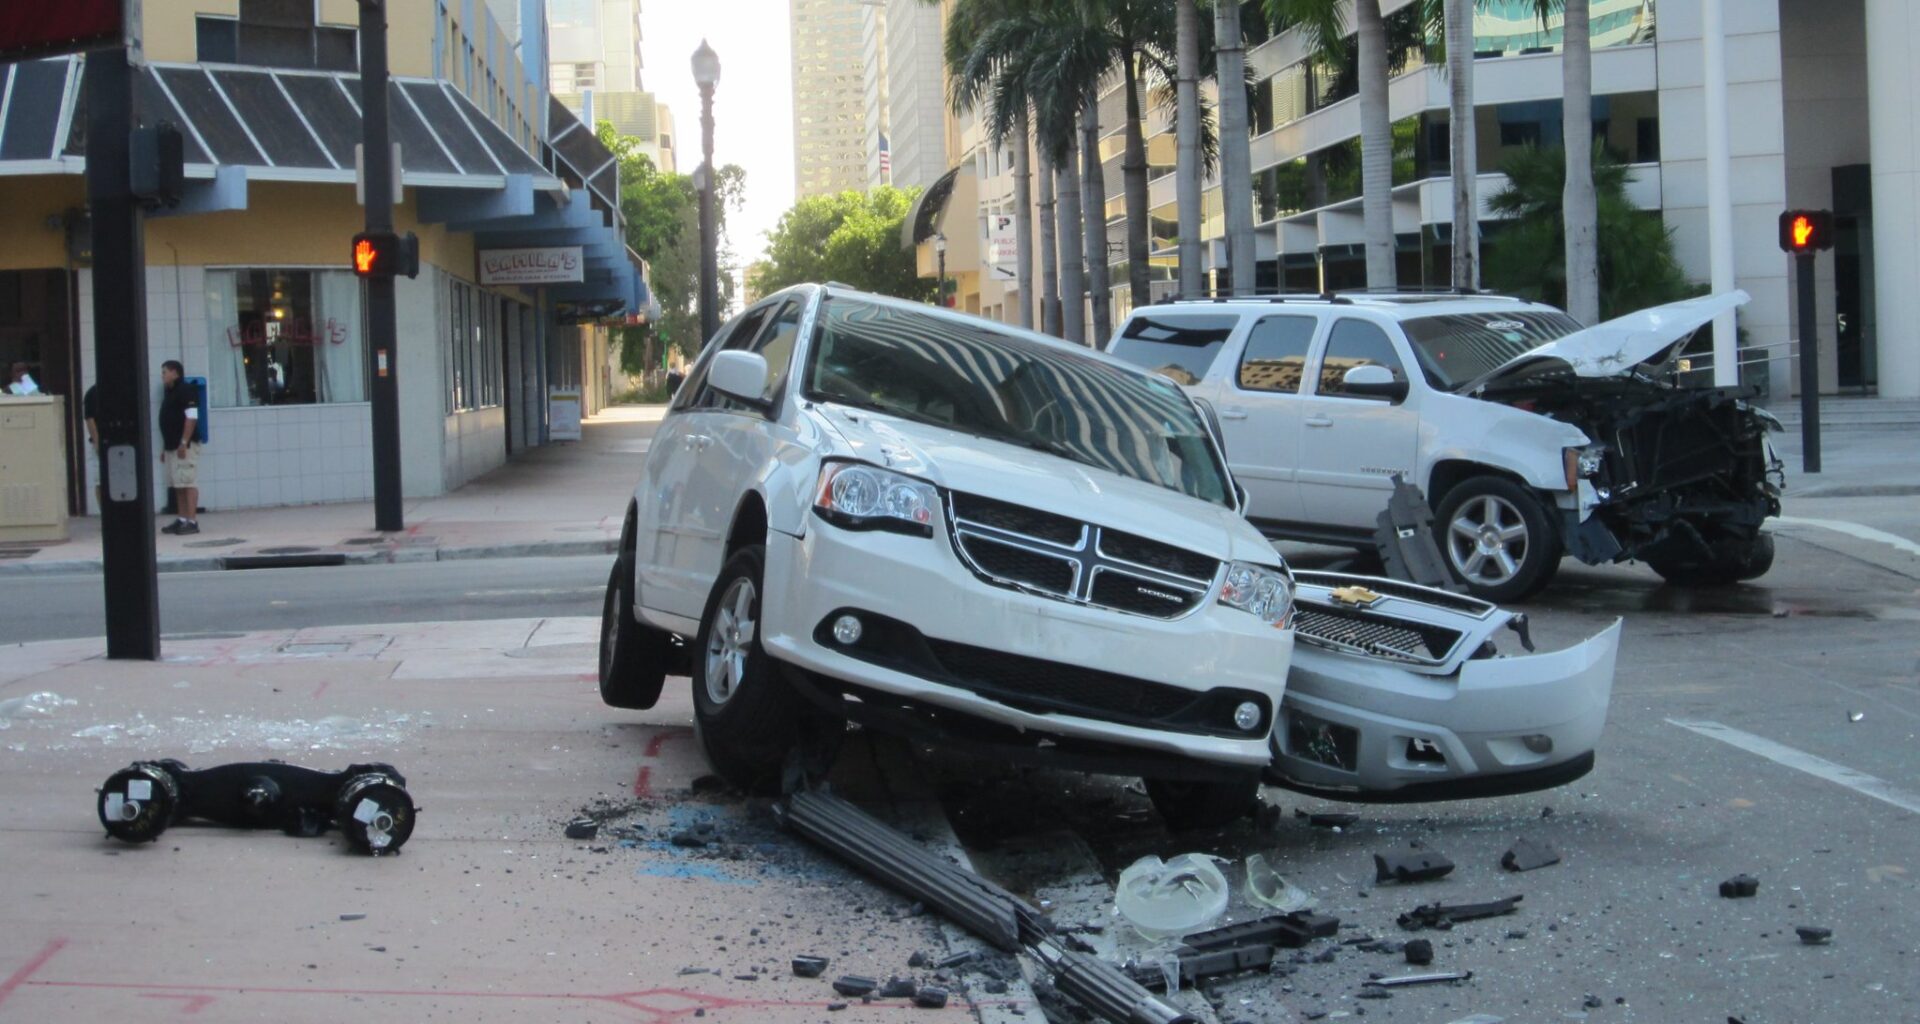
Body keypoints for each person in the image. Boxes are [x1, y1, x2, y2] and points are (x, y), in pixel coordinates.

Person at [158, 360, 202, 535]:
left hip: (185, 445)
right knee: (178, 484)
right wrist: (165, 447)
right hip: (171, 446)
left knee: (188, 481)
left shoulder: (186, 390)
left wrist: (184, 442)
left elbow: (191, 417)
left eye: (165, 372)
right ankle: (182, 518)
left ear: (175, 373)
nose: (162, 376)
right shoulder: (169, 392)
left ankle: (192, 521)